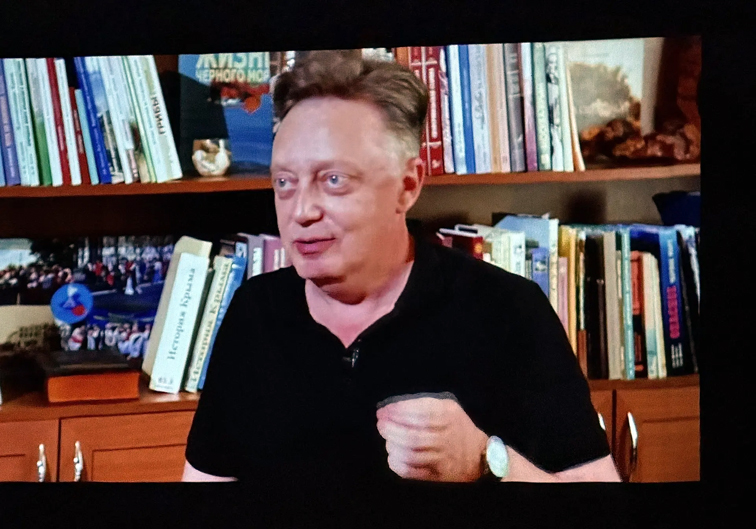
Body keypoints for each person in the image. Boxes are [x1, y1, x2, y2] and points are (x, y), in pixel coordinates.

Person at [183, 50, 620, 484]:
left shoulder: (508, 310)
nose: (301, 211)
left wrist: (484, 459)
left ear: (407, 186)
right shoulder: (255, 310)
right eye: (284, 182)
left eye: (333, 180)